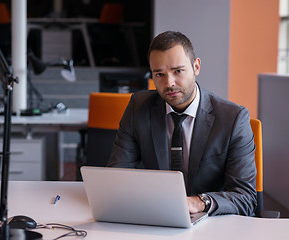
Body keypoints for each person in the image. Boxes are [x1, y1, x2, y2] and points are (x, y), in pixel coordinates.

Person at [107, 31, 257, 216]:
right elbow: (117, 177)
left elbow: (246, 198)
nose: (169, 83)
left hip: (210, 222)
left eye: (178, 71)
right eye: (159, 74)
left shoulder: (233, 118)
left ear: (196, 67)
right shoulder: (138, 108)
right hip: (154, 217)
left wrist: (199, 202)